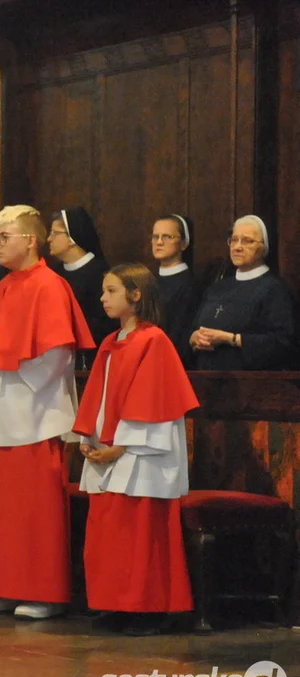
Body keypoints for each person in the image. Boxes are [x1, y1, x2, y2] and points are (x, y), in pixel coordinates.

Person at [0, 205, 94, 619]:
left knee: (33, 510)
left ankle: (42, 591)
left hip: (30, 413)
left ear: (30, 241)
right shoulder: (4, 286)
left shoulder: (49, 286)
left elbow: (53, 357)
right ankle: (1, 584)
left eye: (4, 237)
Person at [74, 263, 198, 636]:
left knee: (142, 529)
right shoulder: (112, 343)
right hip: (111, 448)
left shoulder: (154, 340)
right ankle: (115, 604)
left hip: (144, 453)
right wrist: (91, 437)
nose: (102, 298)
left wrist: (122, 446)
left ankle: (149, 609)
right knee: (109, 529)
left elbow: (153, 400)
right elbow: (99, 395)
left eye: (110, 291)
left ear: (136, 295)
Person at [188, 215, 294, 370]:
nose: (237, 247)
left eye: (247, 241)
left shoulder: (274, 289)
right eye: (234, 240)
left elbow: (282, 343)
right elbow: (194, 328)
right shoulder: (217, 288)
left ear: (264, 247)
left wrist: (232, 339)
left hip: (250, 383)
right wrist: (194, 338)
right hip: (207, 380)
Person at [48, 207, 116, 358]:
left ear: (72, 238)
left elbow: (105, 322)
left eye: (55, 233)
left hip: (90, 356)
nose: (49, 239)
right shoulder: (53, 272)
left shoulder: (100, 273)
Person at [150, 214, 200, 361]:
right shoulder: (148, 281)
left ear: (184, 244)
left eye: (167, 237)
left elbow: (180, 334)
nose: (159, 242)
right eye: (155, 237)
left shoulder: (191, 286)